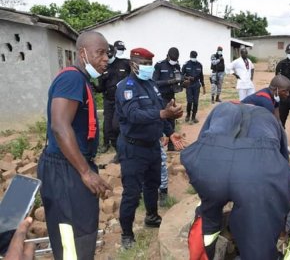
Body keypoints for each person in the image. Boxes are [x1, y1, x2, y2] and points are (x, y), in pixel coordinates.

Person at [182, 102, 290, 260]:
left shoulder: (220, 109)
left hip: (212, 165)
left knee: (209, 214)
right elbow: (282, 160)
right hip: (257, 172)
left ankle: (203, 252)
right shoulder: (270, 118)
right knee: (258, 234)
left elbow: (202, 142)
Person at [38, 31, 111, 260]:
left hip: (70, 165)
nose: (106, 58)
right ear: (83, 53)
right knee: (71, 236)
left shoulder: (82, 79)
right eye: (100, 53)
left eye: (107, 53)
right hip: (65, 169)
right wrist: (85, 172)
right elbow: (60, 127)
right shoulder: (71, 78)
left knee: (81, 231)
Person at [115, 47, 185, 250]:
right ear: (132, 64)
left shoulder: (151, 85)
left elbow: (159, 112)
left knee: (152, 185)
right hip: (133, 148)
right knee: (131, 192)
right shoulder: (126, 87)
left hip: (152, 146)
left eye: (149, 64)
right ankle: (126, 234)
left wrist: (170, 131)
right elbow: (133, 115)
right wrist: (163, 114)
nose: (148, 68)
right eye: (144, 64)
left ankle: (151, 216)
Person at [94, 41, 131, 153]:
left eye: (110, 55)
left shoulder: (125, 63)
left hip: (121, 101)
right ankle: (108, 144)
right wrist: (93, 87)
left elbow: (133, 77)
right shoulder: (103, 67)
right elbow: (100, 87)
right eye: (106, 55)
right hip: (108, 100)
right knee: (108, 126)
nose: (108, 58)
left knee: (117, 125)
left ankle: (121, 147)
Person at [153, 47, 182, 151]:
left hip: (171, 97)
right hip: (160, 98)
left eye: (176, 60)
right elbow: (155, 82)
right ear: (168, 56)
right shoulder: (159, 65)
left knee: (171, 120)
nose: (174, 62)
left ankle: (171, 145)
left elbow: (179, 79)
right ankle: (158, 145)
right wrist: (169, 81)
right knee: (159, 120)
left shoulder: (177, 66)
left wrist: (183, 83)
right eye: (173, 59)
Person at [182, 50, 206, 124]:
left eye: (195, 57)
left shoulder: (199, 65)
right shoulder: (186, 64)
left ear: (196, 57)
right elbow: (181, 75)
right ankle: (188, 115)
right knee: (189, 101)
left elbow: (201, 76)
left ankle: (193, 117)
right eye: (193, 57)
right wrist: (187, 78)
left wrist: (203, 86)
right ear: (190, 56)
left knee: (195, 102)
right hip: (189, 85)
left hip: (196, 86)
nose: (193, 58)